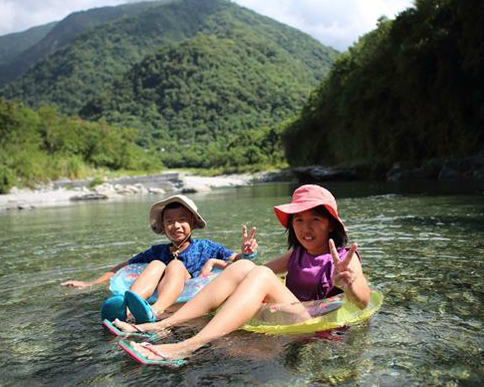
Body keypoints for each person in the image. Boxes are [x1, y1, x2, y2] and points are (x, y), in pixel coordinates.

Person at [114, 184, 371, 361]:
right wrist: (217, 264)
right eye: (299, 220)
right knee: (247, 266)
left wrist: (348, 283)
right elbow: (248, 271)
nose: (306, 227)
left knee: (260, 275)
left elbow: (363, 301)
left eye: (315, 219)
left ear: (330, 224)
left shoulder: (344, 258)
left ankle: (187, 346)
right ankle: (163, 324)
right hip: (293, 312)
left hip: (317, 324)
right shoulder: (297, 254)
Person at [61, 194, 258, 322]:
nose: (176, 226)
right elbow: (121, 268)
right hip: (159, 286)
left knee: (175, 266)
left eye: (182, 220)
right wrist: (89, 283)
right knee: (156, 264)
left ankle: (156, 311)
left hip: (187, 291)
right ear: (163, 227)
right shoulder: (157, 251)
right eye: (170, 221)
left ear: (191, 221)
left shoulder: (206, 247)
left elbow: (237, 261)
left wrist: (245, 252)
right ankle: (127, 310)